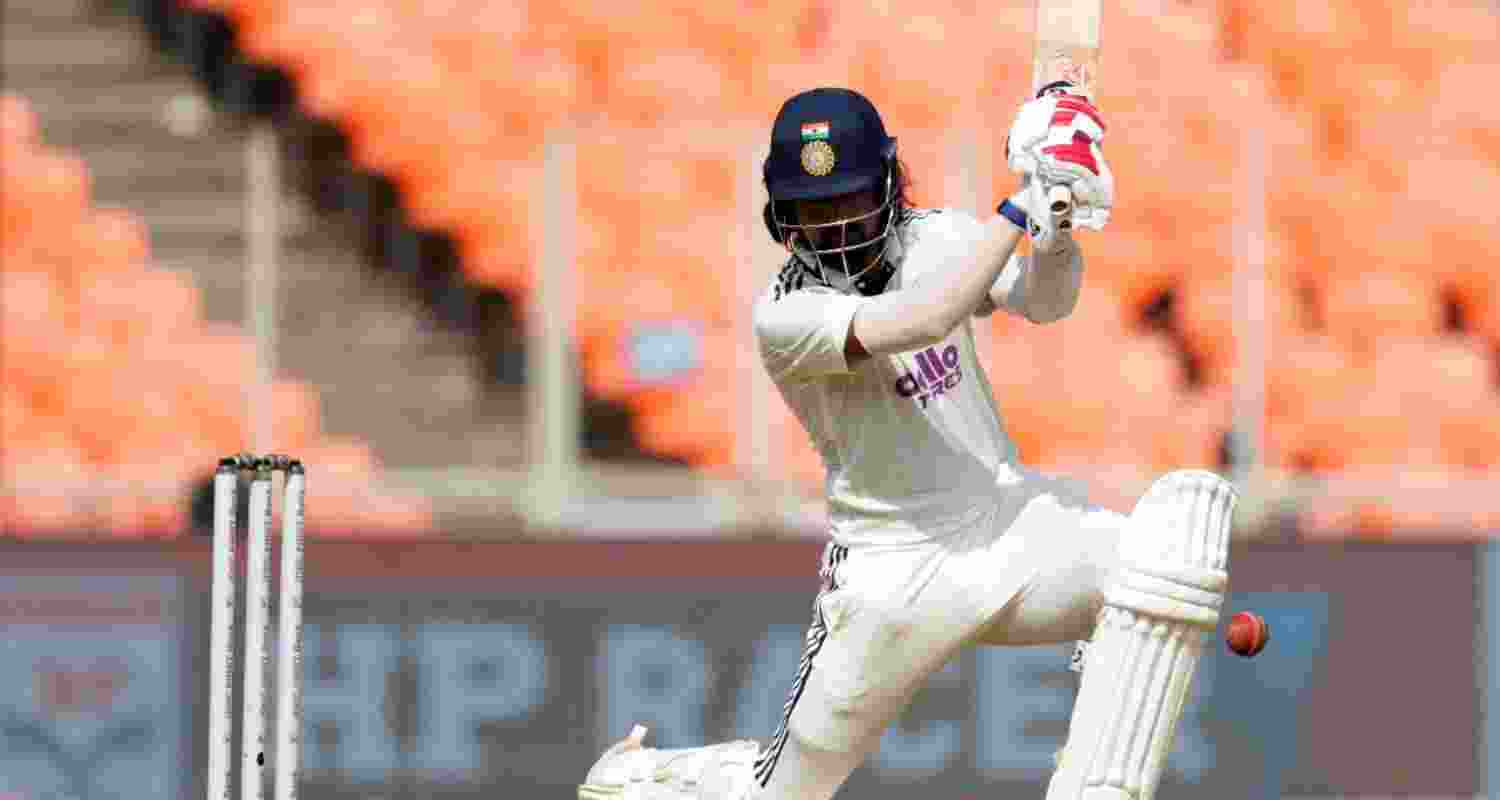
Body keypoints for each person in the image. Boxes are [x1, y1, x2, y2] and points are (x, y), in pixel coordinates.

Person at [578, 85, 1236, 800]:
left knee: (1158, 559)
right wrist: (1020, 200)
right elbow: (925, 318)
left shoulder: (939, 237)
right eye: (811, 210)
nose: (833, 229)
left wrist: (1057, 223)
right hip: (889, 576)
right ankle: (648, 782)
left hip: (1007, 525)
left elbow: (1048, 303)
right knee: (785, 794)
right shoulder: (787, 314)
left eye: (849, 202)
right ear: (781, 217)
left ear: (888, 186)